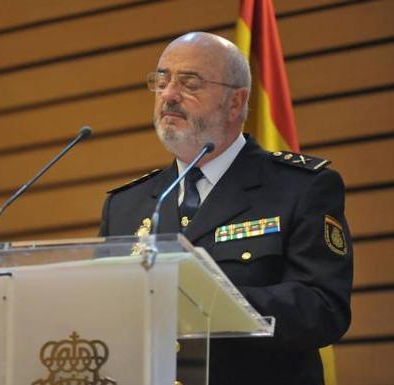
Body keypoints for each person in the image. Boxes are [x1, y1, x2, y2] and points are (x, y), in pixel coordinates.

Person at [99, 32, 352, 385]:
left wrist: (211, 304)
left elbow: (323, 308)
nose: (169, 95)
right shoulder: (125, 206)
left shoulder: (300, 187)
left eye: (189, 83)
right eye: (161, 81)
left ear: (236, 103)